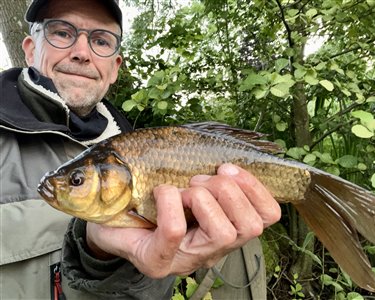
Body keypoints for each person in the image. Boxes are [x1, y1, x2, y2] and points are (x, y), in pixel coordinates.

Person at [0, 0, 281, 299]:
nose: (81, 53)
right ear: (30, 49)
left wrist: (110, 259)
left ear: (114, 68)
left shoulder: (134, 146)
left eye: (100, 40)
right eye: (62, 33)